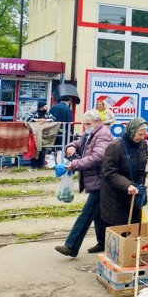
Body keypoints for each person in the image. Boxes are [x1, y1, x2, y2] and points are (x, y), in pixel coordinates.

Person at [55, 110, 113, 257]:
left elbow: (97, 157)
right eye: (84, 123)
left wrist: (74, 164)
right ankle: (102, 242)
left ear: (97, 122)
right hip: (96, 179)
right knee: (98, 214)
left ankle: (71, 246)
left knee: (86, 214)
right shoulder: (91, 133)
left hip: (101, 179)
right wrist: (71, 146)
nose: (85, 126)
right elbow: (79, 142)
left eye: (88, 123)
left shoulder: (103, 135)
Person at [100, 117, 148, 228]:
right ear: (131, 131)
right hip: (116, 196)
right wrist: (127, 185)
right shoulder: (115, 146)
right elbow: (109, 172)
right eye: (139, 134)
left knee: (134, 227)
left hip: (135, 194)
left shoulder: (143, 145)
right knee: (119, 228)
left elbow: (142, 168)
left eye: (144, 134)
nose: (142, 138)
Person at [26, 100, 56, 169]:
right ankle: (34, 165)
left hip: (44, 135)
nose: (47, 107)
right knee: (34, 149)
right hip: (34, 135)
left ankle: (41, 165)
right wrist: (37, 120)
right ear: (41, 107)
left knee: (42, 150)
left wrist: (46, 120)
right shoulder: (34, 113)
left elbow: (54, 119)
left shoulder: (48, 114)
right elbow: (28, 119)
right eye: (45, 106)